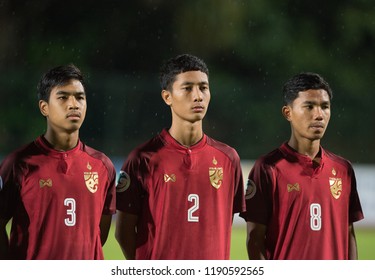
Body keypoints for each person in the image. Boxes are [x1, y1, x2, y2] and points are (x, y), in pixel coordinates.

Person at [115, 54, 245, 260]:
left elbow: (223, 225)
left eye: (203, 87)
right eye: (187, 88)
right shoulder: (142, 159)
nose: (198, 96)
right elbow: (123, 232)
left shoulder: (228, 159)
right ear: (167, 97)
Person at [240, 72, 364, 260]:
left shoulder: (343, 169)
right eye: (309, 106)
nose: (319, 115)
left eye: (325, 107)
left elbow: (349, 236)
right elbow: (254, 239)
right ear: (288, 113)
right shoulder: (268, 168)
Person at [0, 64, 116, 259]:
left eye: (80, 97)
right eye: (63, 97)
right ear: (44, 107)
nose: (74, 104)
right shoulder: (19, 164)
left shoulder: (103, 166)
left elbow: (99, 233)